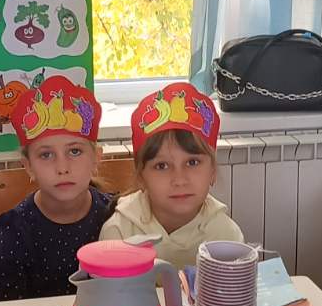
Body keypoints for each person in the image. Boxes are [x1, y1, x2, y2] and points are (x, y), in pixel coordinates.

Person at [0, 76, 114, 301]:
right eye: (46, 155)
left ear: (96, 158)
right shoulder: (13, 231)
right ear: (28, 166)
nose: (62, 168)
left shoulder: (116, 217)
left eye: (74, 151)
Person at [100, 83, 242, 269]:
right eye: (162, 166)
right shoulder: (118, 233)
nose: (179, 180)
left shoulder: (227, 236)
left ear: (212, 172)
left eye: (192, 162)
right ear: (141, 177)